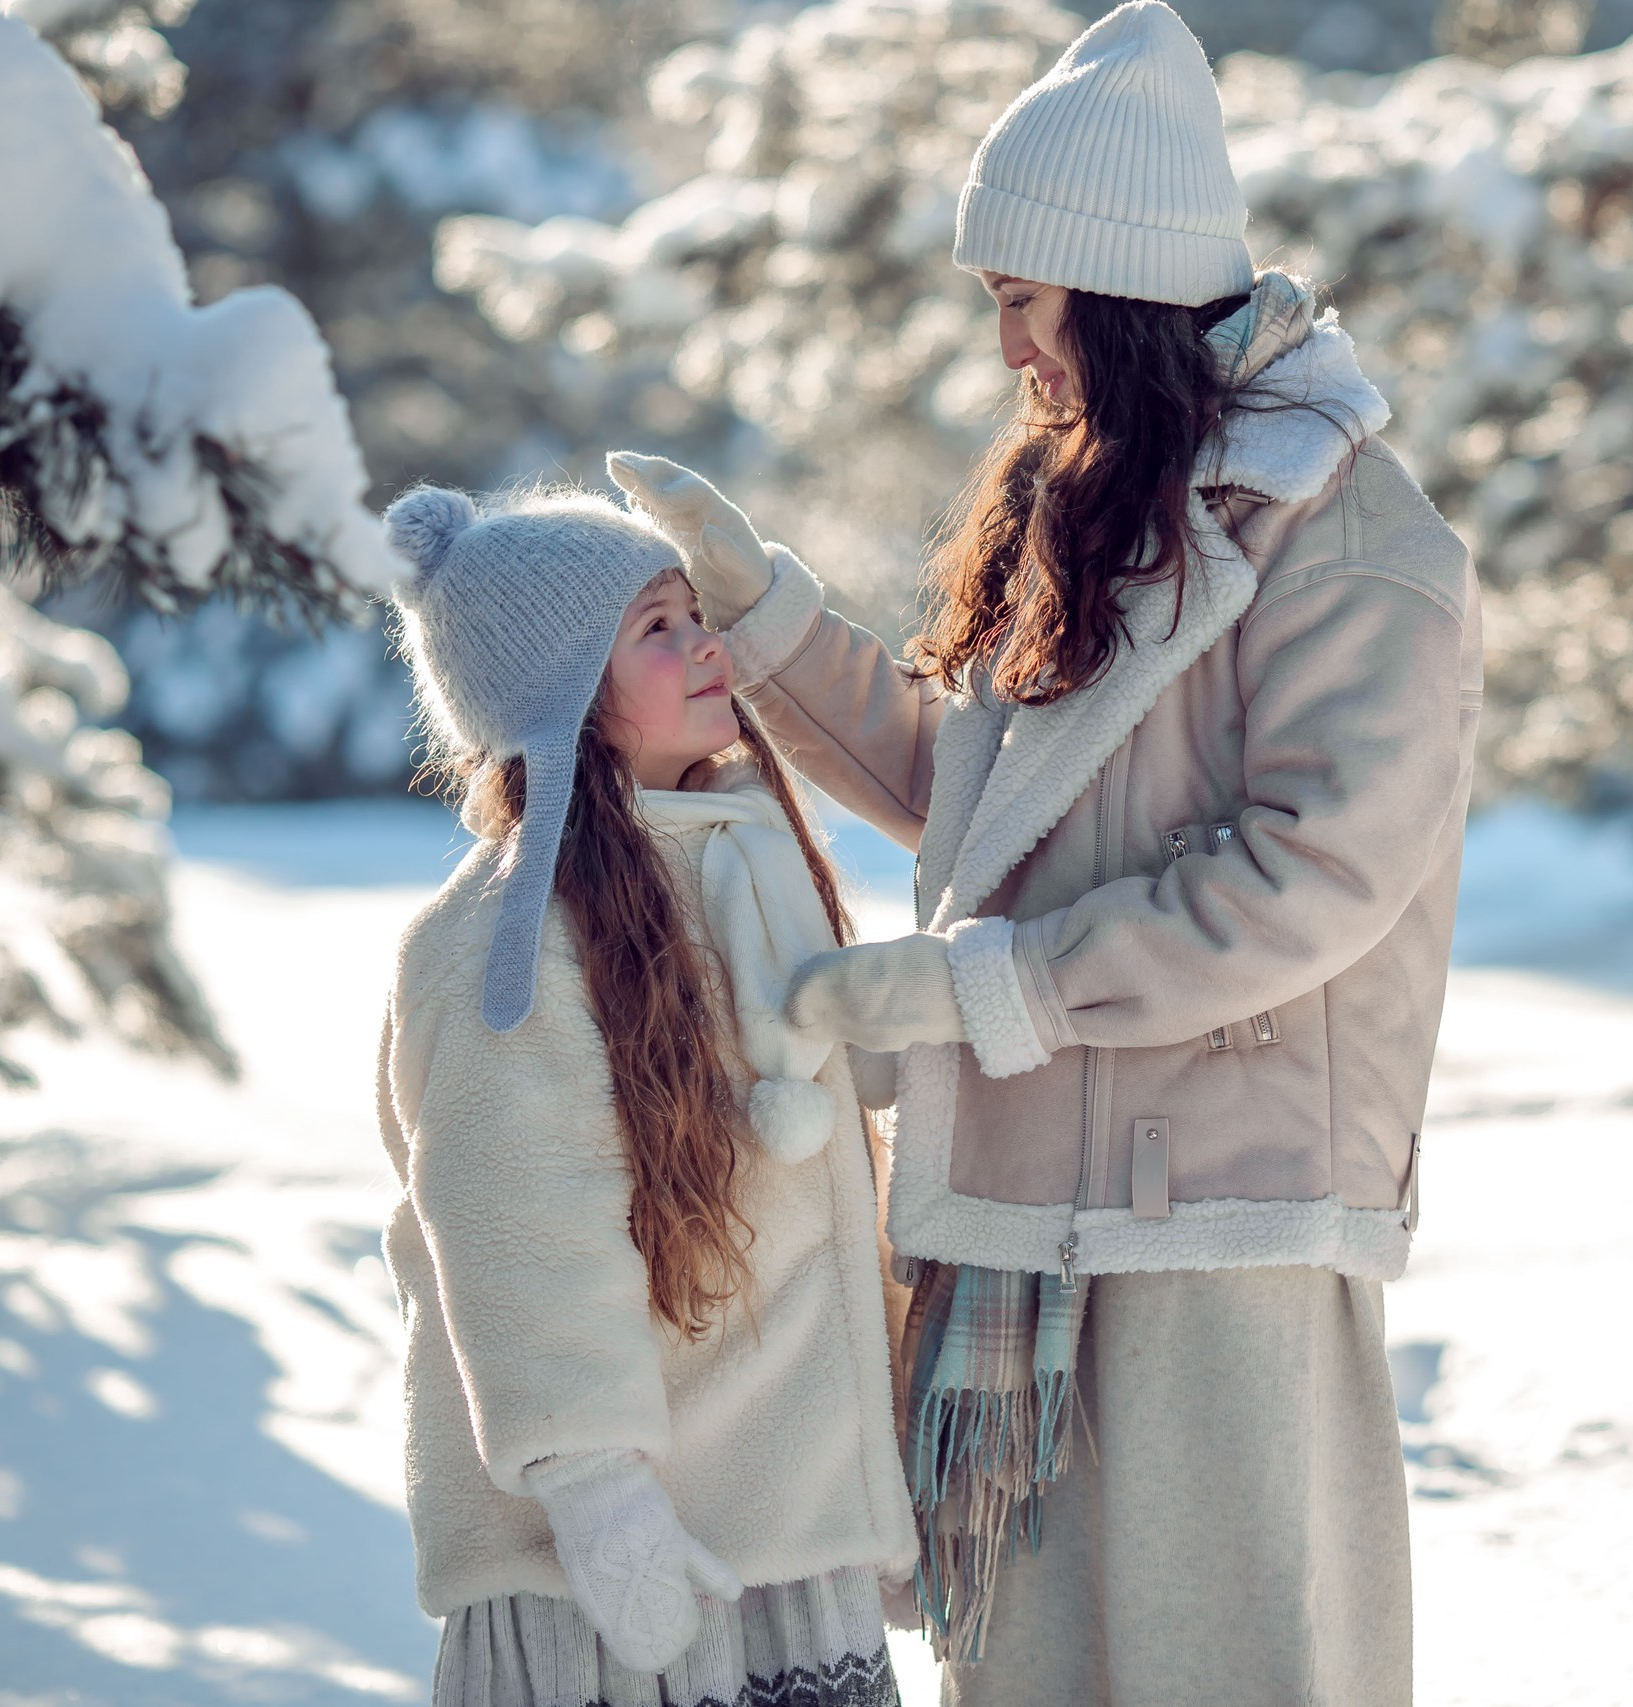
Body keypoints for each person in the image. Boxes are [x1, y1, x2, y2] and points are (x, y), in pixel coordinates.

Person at [617, 1, 1480, 1698]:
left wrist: (988, 988)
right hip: (1029, 1215)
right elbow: (981, 797)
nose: (1008, 343)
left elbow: (1312, 875)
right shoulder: (1091, 503)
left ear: (1115, 278)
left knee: (1233, 1668)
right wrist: (762, 615)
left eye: (1022, 296)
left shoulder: (1351, 539)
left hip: (1224, 1230)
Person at [372, 473, 917, 1707]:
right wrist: (599, 1495)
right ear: (561, 689)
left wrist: (872, 1473)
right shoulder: (503, 941)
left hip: (784, 1530)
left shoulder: (743, 866)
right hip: (626, 1565)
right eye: (656, 628)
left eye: (695, 615)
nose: (706, 644)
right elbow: (518, 1227)